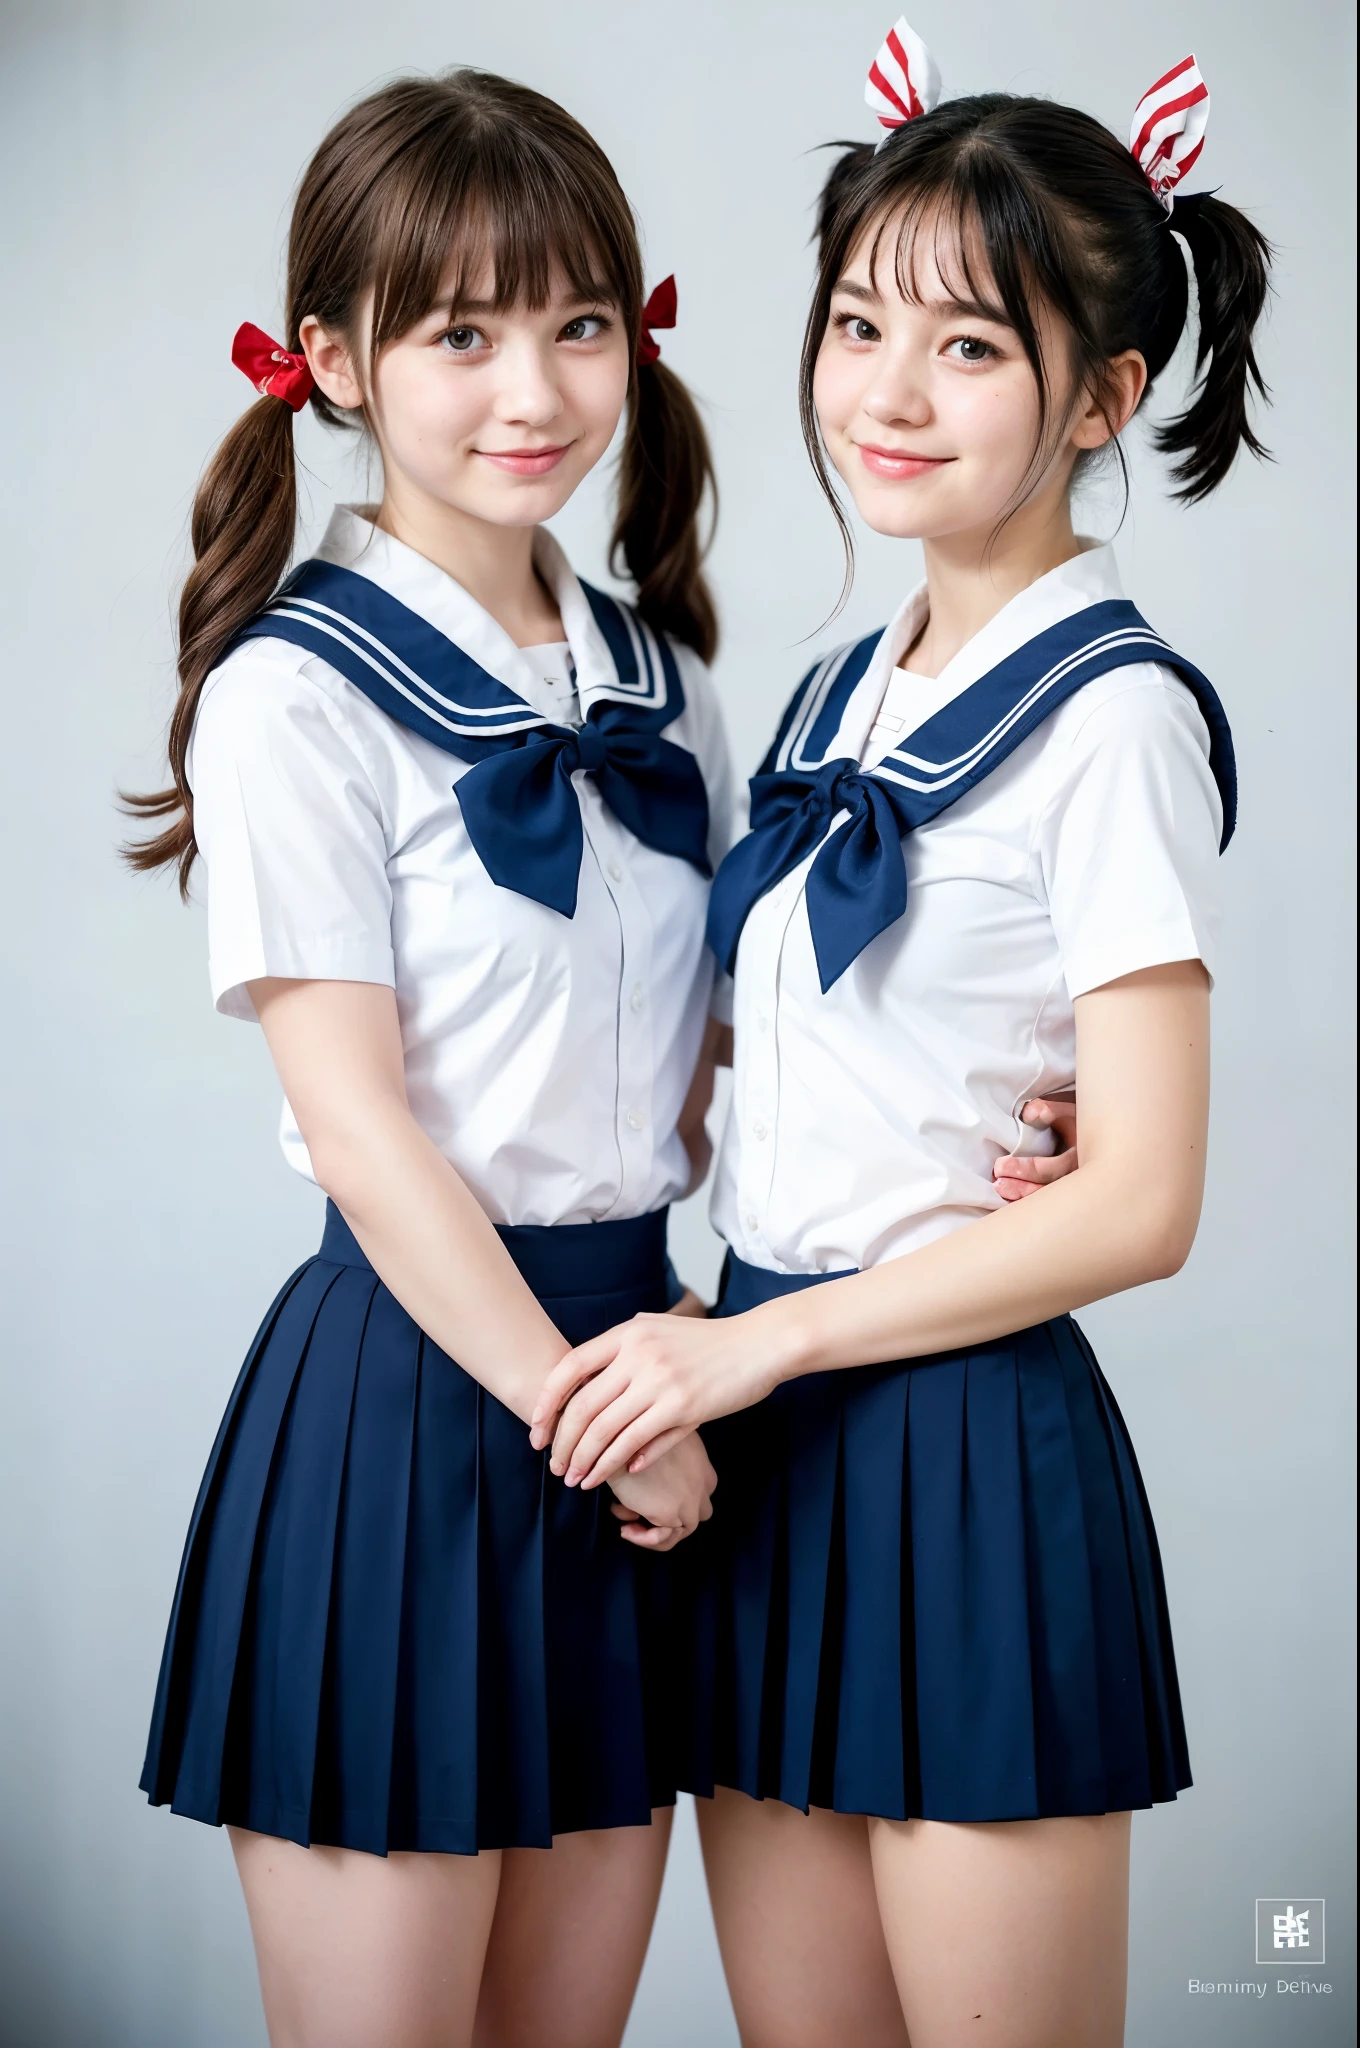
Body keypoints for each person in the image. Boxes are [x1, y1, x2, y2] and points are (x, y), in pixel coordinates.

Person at [532, 23, 1269, 2047]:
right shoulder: (837, 684)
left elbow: (1142, 1204)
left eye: (966, 345)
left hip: (950, 1445)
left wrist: (750, 1338)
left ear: (1105, 393)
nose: (882, 388)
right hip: (770, 1461)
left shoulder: (1110, 716)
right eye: (858, 321)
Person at [128, 68, 734, 2048]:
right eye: (458, 333)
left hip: (635, 1385)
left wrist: (1017, 1132)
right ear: (335, 362)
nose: (530, 387)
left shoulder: (671, 687)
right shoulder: (297, 693)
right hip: (418, 1400)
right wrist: (608, 1410)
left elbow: (724, 1078)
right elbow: (358, 1130)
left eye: (571, 320)